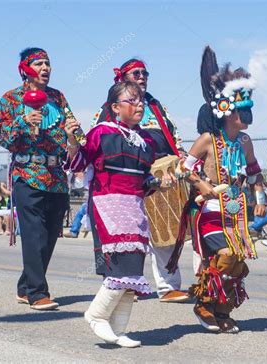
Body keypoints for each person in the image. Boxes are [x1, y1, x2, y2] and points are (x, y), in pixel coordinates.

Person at [65, 81, 172, 347]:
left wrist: (159, 183)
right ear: (115, 107)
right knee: (120, 265)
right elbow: (78, 164)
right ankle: (96, 315)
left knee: (134, 268)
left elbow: (142, 181)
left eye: (141, 102)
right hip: (107, 204)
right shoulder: (101, 132)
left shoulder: (147, 141)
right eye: (131, 101)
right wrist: (71, 141)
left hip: (134, 208)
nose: (139, 106)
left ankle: (118, 329)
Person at [168, 46, 266, 333]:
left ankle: (222, 310)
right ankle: (203, 303)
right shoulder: (207, 140)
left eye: (249, 111)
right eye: (241, 111)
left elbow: (255, 173)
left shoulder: (245, 142)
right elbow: (182, 168)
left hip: (236, 213)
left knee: (237, 264)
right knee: (224, 256)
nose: (246, 117)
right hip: (210, 210)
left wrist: (259, 198)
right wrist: (202, 184)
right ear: (225, 111)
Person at [91, 59, 188, 303]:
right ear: (123, 77)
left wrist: (181, 155)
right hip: (123, 181)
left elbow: (173, 135)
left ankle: (168, 286)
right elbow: (95, 147)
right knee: (125, 235)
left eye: (145, 72)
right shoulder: (109, 109)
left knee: (166, 232)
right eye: (137, 73)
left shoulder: (155, 105)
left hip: (162, 174)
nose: (143, 76)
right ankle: (124, 282)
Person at [0, 47, 73, 310]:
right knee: (34, 234)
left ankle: (25, 286)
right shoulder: (11, 99)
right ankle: (38, 293)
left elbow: (71, 128)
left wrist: (76, 136)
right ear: (25, 69)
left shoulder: (58, 97)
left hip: (57, 176)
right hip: (28, 174)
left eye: (48, 63)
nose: (45, 68)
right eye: (39, 63)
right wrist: (23, 121)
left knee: (49, 237)